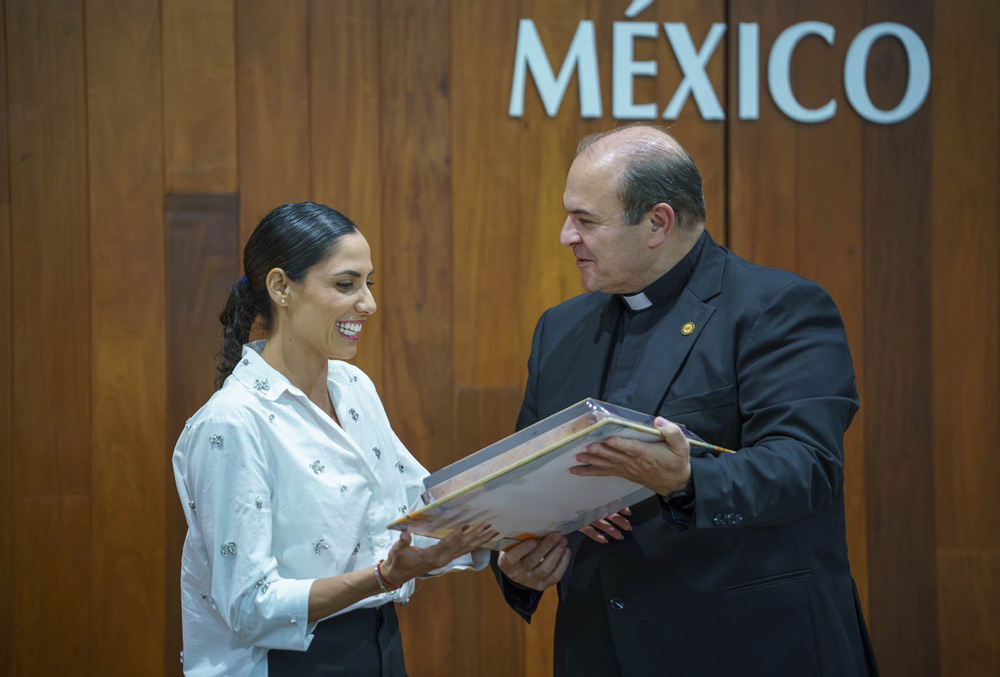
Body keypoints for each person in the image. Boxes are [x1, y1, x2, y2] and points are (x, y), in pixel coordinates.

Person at [493, 125, 879, 676]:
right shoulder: (559, 330)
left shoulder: (778, 308)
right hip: (601, 650)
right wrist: (518, 564)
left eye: (585, 220)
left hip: (744, 647)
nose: (565, 236)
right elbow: (523, 480)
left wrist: (685, 479)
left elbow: (808, 468)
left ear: (657, 222)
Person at [173, 202, 497, 677]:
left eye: (369, 283)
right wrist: (384, 575)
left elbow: (414, 507)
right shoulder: (232, 421)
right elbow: (248, 607)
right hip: (289, 661)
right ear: (282, 287)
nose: (368, 303)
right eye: (346, 285)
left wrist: (520, 520)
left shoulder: (353, 387)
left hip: (380, 644)